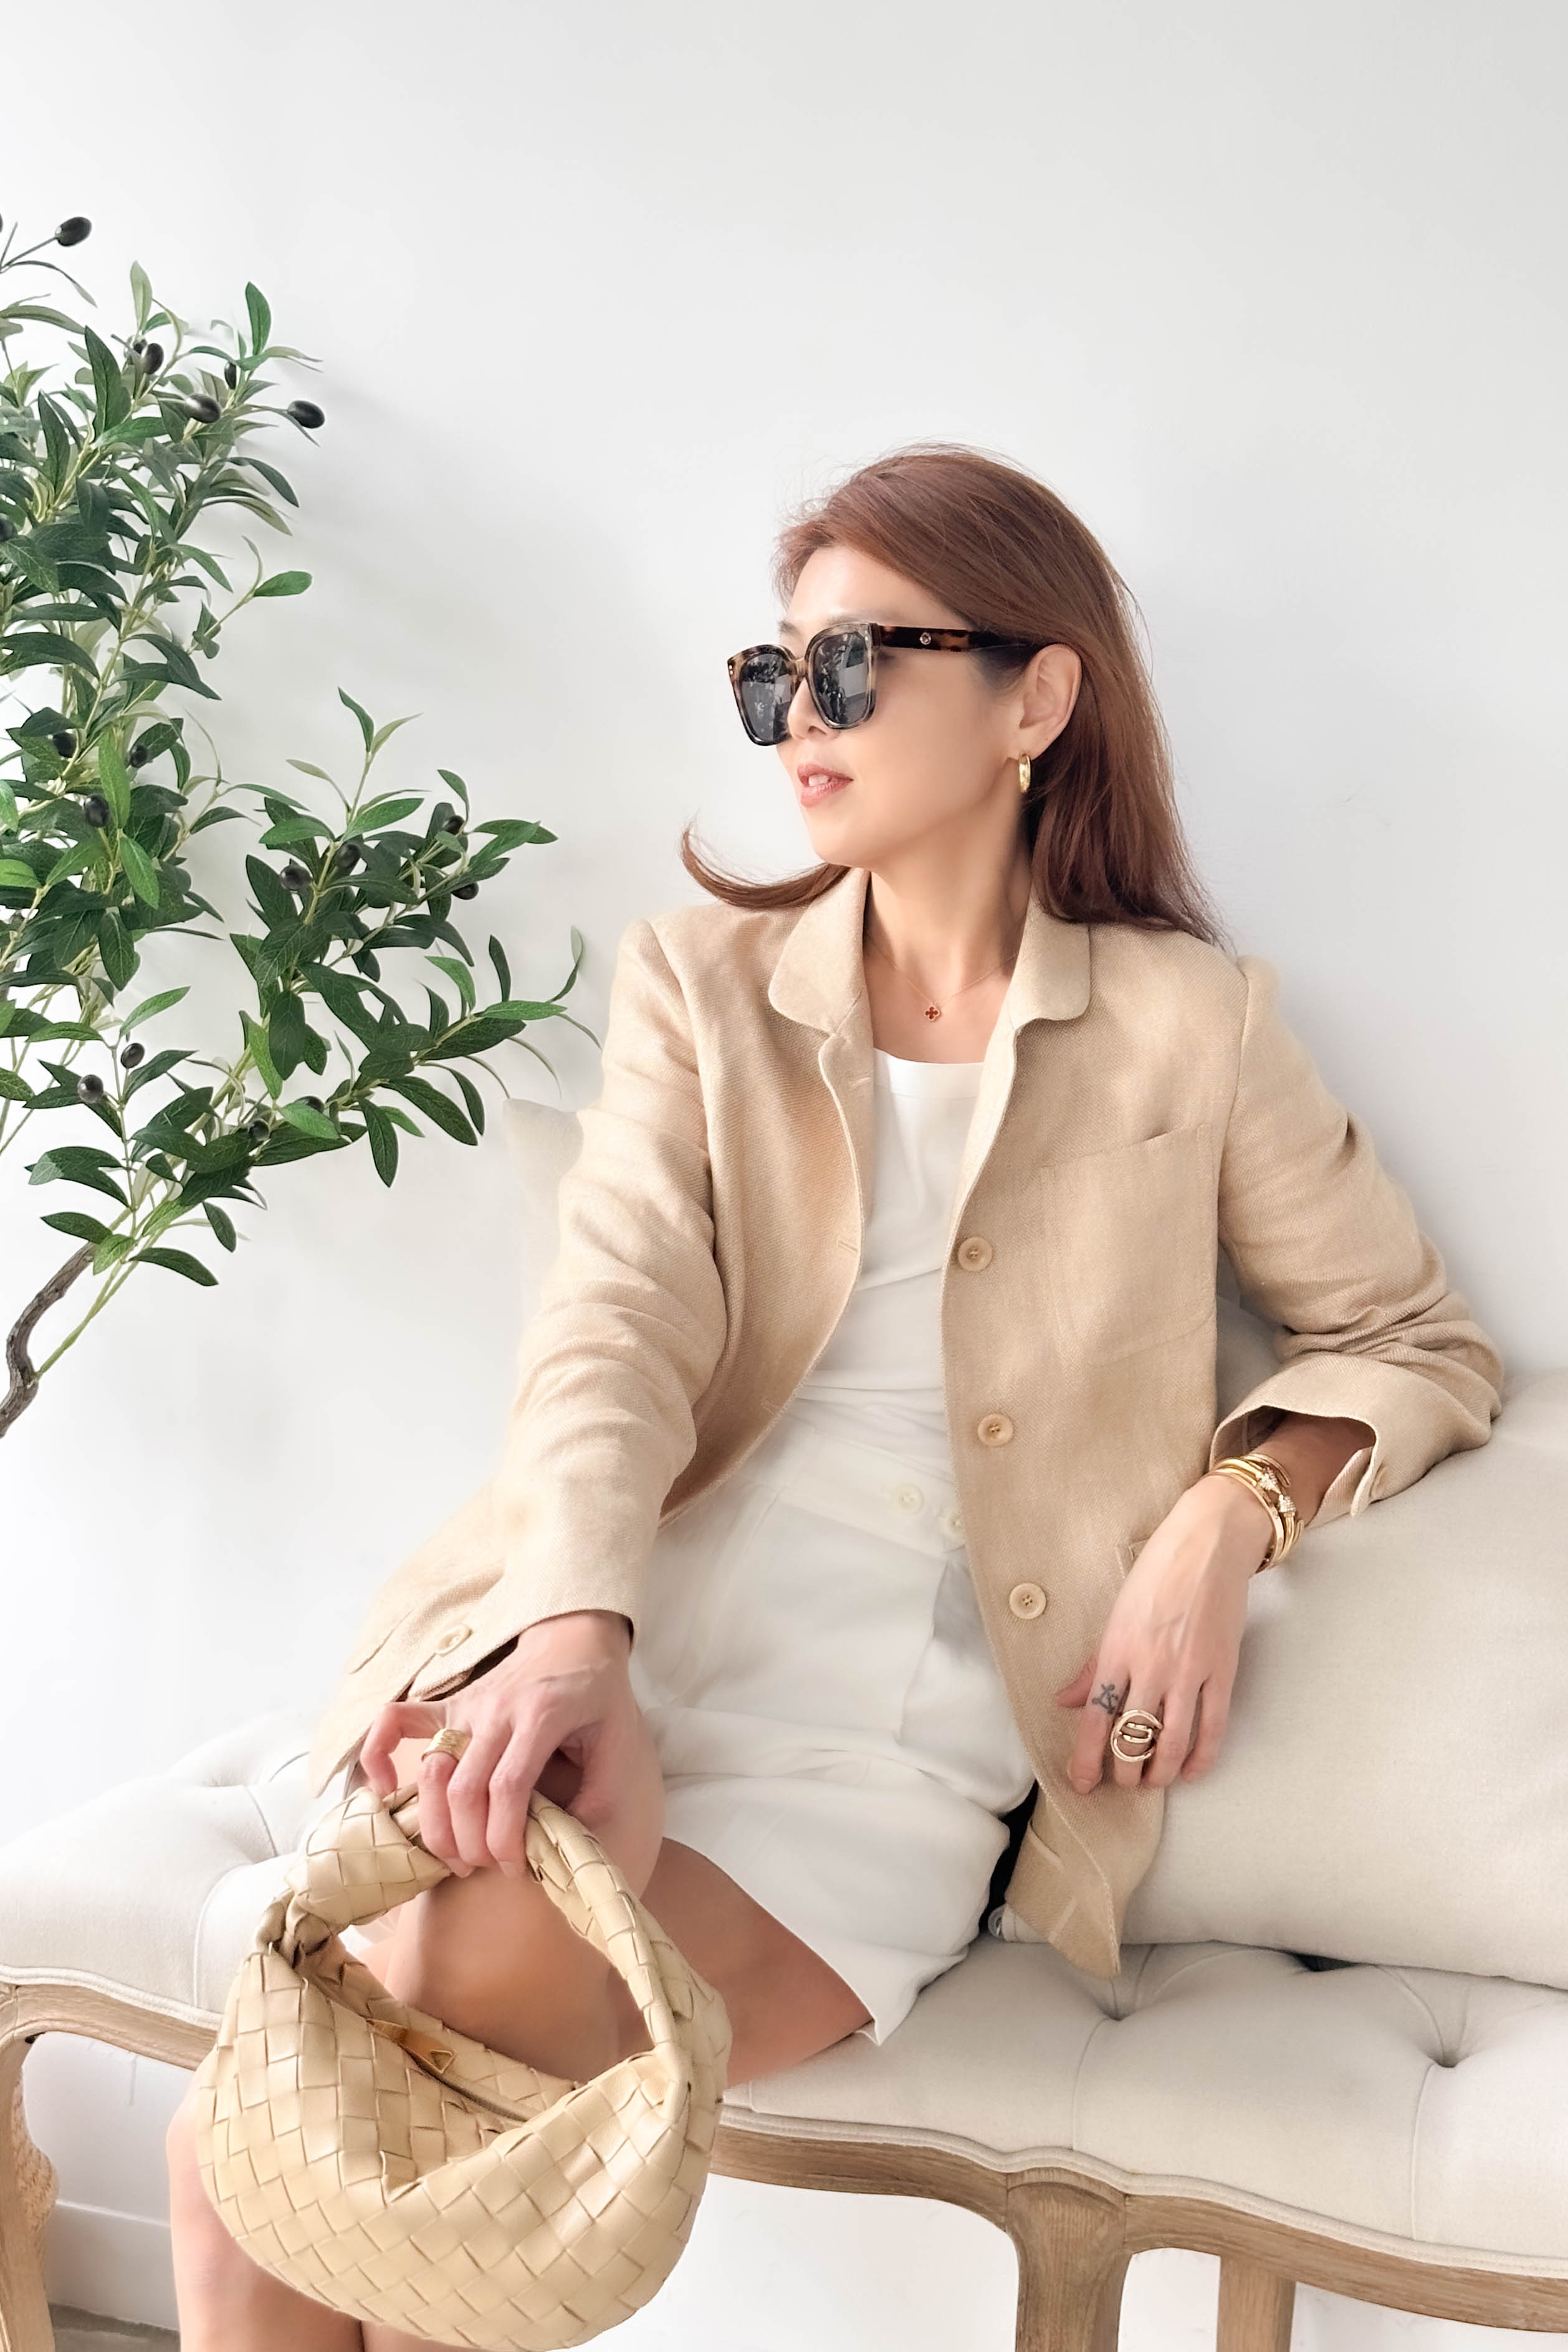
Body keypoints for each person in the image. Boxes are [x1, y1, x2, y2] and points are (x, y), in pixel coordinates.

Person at [165, 444, 1503, 2350]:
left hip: (888, 1726)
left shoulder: (1186, 1029)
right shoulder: (699, 987)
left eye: (858, 663)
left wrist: (1225, 1517)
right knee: (267, 2159)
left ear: (1036, 697)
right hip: (611, 1619)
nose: (803, 714)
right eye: (774, 673)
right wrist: (570, 1638)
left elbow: (1412, 1336)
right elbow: (610, 1327)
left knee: (347, 2124)